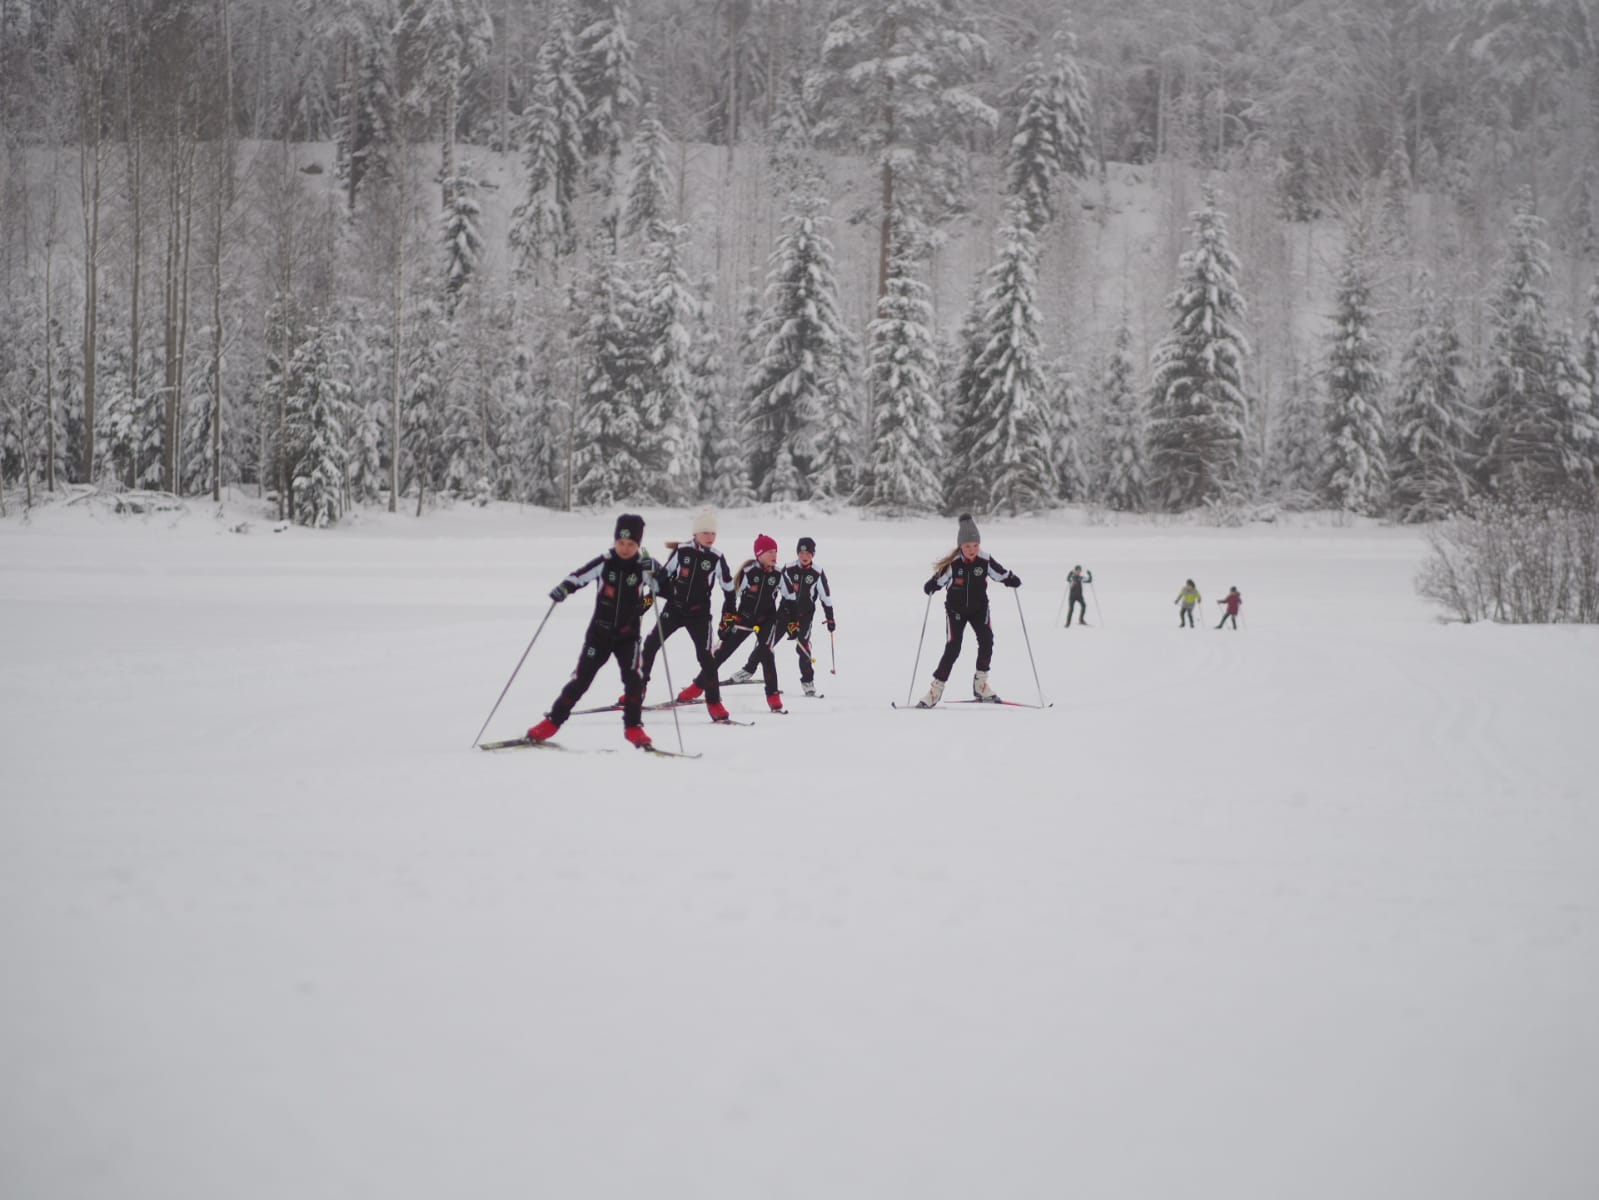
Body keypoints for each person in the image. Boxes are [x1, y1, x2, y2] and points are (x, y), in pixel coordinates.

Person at [527, 513, 657, 749]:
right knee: (581, 681)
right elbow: (578, 577)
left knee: (634, 681)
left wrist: (656, 571)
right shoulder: (605, 562)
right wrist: (564, 588)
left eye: (631, 544)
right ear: (615, 541)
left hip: (628, 637)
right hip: (599, 635)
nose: (625, 548)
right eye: (621, 543)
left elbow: (664, 587)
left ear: (638, 545)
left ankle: (633, 727)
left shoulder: (642, 567)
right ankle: (552, 722)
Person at [637, 509, 736, 722]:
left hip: (699, 615)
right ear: (696, 533)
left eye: (713, 533)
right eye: (706, 532)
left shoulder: (716, 557)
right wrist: (646, 596)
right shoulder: (682, 551)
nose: (710, 537)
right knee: (651, 644)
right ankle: (639, 689)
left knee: (706, 658)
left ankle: (714, 702)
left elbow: (728, 588)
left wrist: (729, 615)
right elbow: (663, 578)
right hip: (674, 609)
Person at [678, 533, 793, 713]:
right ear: (759, 554)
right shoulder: (748, 572)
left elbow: (790, 598)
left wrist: (790, 618)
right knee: (720, 654)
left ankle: (773, 696)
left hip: (766, 620)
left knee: (767, 654)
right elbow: (731, 597)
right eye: (770, 552)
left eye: (775, 552)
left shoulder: (779, 574)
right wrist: (726, 621)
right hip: (744, 619)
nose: (774, 555)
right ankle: (698, 686)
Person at [916, 513, 1021, 707]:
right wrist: (931, 585)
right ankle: (935, 690)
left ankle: (981, 685)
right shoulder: (953, 563)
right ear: (960, 546)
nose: (972, 550)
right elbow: (938, 580)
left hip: (979, 608)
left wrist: (1011, 579)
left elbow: (1000, 573)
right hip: (955, 611)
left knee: (987, 641)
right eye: (967, 546)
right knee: (953, 647)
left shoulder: (985, 559)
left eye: (975, 545)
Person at [732, 535, 835, 696]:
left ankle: (807, 682)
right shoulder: (788, 569)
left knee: (803, 648)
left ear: (813, 554)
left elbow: (825, 597)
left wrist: (830, 618)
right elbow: (774, 587)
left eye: (808, 553)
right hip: (784, 614)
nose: (804, 556)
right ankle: (748, 669)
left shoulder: (817, 572)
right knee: (767, 643)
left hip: (804, 617)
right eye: (801, 553)